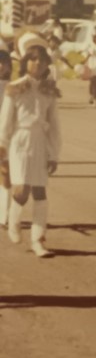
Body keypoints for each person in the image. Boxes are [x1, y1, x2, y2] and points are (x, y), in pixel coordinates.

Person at [0, 32, 61, 257]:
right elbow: (6, 120)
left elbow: (54, 125)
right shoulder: (15, 87)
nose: (38, 63)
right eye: (33, 59)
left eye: (42, 60)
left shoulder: (49, 90)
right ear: (26, 62)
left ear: (47, 64)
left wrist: (54, 153)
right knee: (21, 189)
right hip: (19, 142)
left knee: (40, 192)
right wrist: (2, 146)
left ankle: (38, 239)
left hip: (40, 142)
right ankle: (14, 221)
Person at [0, 43, 12, 226]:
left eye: (4, 63)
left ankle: (4, 215)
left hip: (5, 134)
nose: (1, 66)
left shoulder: (14, 86)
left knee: (5, 173)